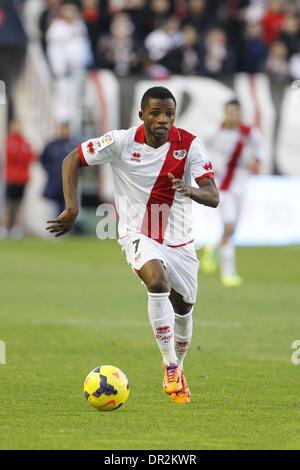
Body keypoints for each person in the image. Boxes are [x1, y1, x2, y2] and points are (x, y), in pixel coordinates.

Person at [46, 86, 219, 403]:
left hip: (180, 241)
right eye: (155, 113)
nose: (163, 120)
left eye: (168, 114)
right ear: (142, 115)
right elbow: (73, 159)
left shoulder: (191, 146)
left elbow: (214, 196)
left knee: (184, 307)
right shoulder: (121, 141)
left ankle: (178, 368)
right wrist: (73, 207)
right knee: (157, 282)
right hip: (137, 233)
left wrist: (190, 190)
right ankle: (169, 366)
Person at [202, 99, 262, 287]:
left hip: (240, 186)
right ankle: (228, 272)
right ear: (225, 112)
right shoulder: (215, 131)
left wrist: (256, 162)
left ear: (239, 113)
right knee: (228, 227)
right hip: (222, 187)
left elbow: (260, 151)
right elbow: (200, 149)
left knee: (232, 229)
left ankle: (213, 248)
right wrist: (209, 166)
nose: (232, 115)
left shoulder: (248, 133)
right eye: (229, 112)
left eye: (235, 112)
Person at [0, 118, 35, 239]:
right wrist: (20, 156)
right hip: (11, 177)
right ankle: (4, 227)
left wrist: (20, 156)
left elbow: (30, 157)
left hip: (22, 178)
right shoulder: (9, 141)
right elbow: (12, 156)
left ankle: (16, 227)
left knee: (19, 204)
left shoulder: (25, 142)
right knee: (8, 203)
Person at [40, 122, 78, 216]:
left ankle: (66, 229)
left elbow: (80, 161)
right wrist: (50, 171)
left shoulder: (73, 145)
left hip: (69, 184)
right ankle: (53, 228)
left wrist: (76, 174)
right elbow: (43, 159)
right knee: (53, 209)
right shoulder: (52, 145)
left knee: (67, 208)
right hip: (54, 183)